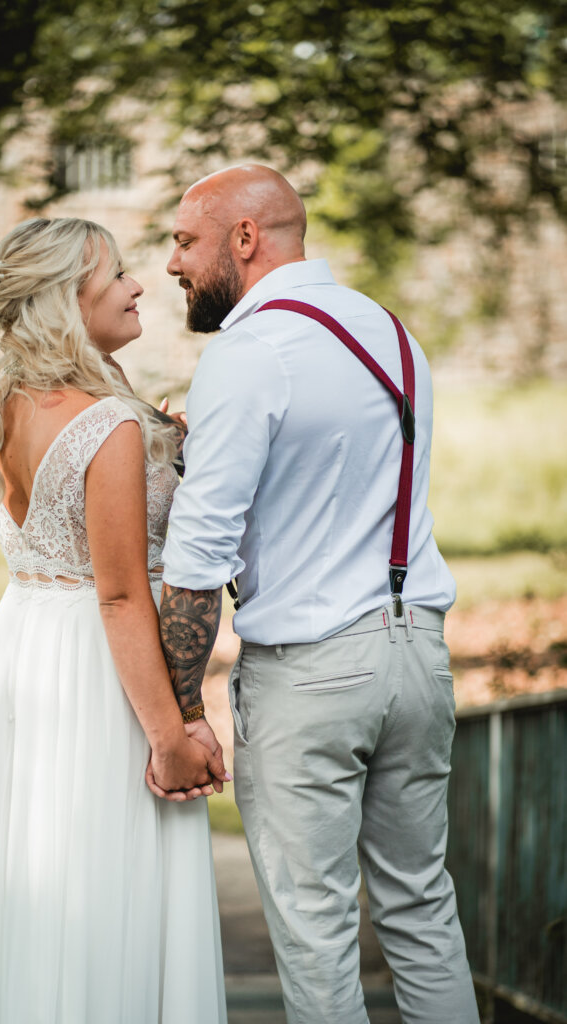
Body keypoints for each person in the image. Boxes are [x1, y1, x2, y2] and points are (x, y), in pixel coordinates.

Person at [154, 165, 480, 1024]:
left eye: (185, 241)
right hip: (418, 655)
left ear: (245, 238)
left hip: (311, 675)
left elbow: (197, 557)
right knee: (422, 910)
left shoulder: (248, 352)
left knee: (316, 933)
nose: (170, 264)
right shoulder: (391, 333)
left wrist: (181, 706)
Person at [0, 216, 228, 1024]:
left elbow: (62, 536)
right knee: (111, 875)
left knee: (46, 872)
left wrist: (158, 446)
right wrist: (174, 735)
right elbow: (118, 593)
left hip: (30, 647)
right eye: (117, 276)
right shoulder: (106, 427)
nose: (139, 285)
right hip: (101, 666)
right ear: (69, 300)